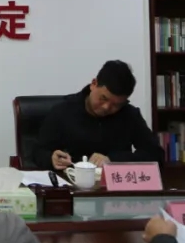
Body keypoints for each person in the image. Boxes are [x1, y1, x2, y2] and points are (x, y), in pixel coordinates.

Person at [33, 60, 163, 169]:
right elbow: (38, 152)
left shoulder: (130, 115)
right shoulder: (63, 111)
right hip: (72, 184)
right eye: (103, 98)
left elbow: (156, 154)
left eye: (116, 104)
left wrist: (113, 159)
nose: (107, 107)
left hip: (115, 186)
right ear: (94, 84)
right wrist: (51, 159)